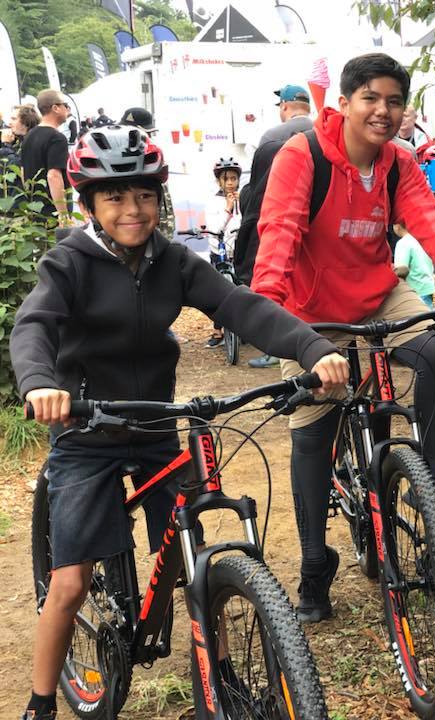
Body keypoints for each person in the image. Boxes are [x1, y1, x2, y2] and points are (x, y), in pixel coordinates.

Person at [10, 124, 349, 720]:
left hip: (155, 426)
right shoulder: (68, 263)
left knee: (193, 548)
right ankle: (41, 703)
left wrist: (311, 347)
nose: (133, 209)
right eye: (115, 197)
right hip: (87, 431)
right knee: (70, 582)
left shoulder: (172, 261)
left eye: (144, 195)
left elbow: (240, 305)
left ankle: (220, 675)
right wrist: (40, 383)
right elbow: (35, 324)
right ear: (89, 204)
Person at [252, 52, 435, 622]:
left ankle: (427, 487)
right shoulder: (303, 155)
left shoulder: (396, 162)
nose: (383, 111)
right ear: (344, 103)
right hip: (311, 311)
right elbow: (279, 234)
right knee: (313, 425)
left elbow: (431, 222)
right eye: (370, 98)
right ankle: (315, 562)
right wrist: (268, 313)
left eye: (394, 101)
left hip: (377, 293)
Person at [235, 83, 314, 369]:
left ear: (284, 107)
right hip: (316, 228)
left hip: (281, 222)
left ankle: (277, 347)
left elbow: (257, 190)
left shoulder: (271, 136)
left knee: (284, 283)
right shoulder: (323, 133)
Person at [118, 106, 175, 239]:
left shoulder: (151, 153)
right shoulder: (117, 161)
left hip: (160, 231)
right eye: (144, 134)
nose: (147, 137)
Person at [204, 157, 243, 348]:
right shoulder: (213, 202)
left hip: (239, 251)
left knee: (243, 290)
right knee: (218, 292)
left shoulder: (243, 198)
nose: (230, 183)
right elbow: (215, 228)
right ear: (219, 181)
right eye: (225, 179)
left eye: (233, 178)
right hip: (219, 251)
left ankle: (244, 328)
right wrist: (228, 209)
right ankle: (217, 330)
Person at [20, 90, 71, 222]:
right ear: (55, 108)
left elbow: (22, 171)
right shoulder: (57, 138)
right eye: (65, 105)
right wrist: (63, 215)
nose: (67, 109)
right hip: (52, 211)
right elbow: (53, 176)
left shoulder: (29, 136)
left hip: (35, 208)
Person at [392, 223, 435, 306]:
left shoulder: (403, 243)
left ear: (397, 226)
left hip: (414, 290)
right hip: (428, 286)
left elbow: (401, 270)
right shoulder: (422, 239)